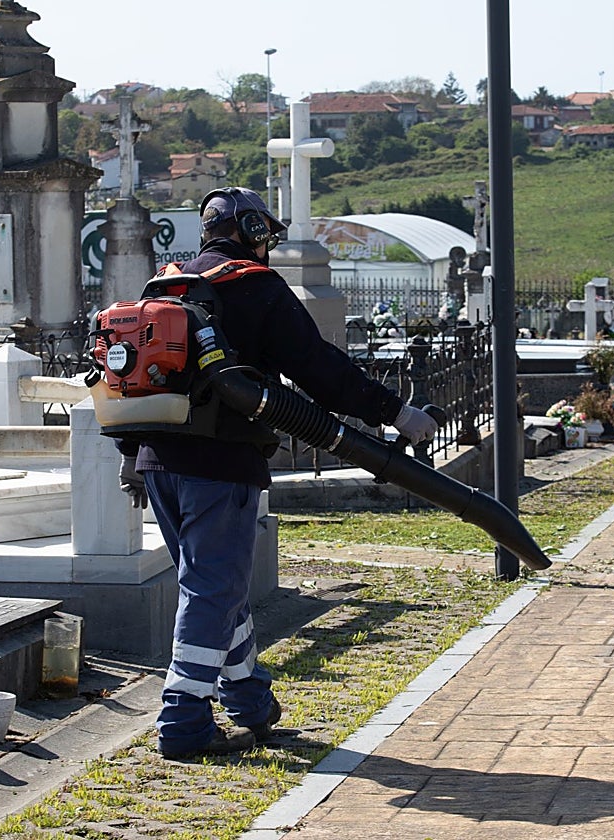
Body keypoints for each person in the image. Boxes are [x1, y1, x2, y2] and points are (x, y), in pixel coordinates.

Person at [115, 186, 438, 759]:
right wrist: (395, 412)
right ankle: (183, 720)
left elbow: (132, 375)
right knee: (213, 587)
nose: (266, 246)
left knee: (220, 586)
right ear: (245, 230)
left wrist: (131, 457)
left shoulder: (166, 283)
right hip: (221, 462)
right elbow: (318, 368)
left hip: (156, 461)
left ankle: (248, 701)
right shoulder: (255, 286)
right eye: (262, 233)